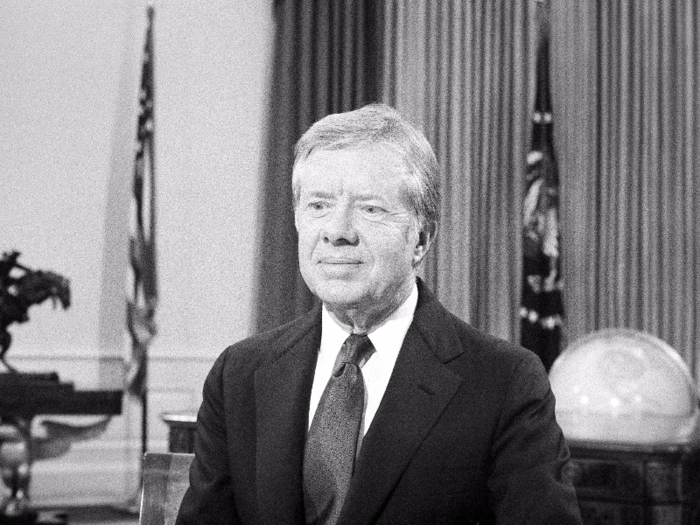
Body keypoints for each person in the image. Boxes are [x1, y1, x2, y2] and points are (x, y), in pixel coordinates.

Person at [175, 103, 582, 525]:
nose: (337, 231)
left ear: (421, 239)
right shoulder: (240, 375)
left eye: (370, 209)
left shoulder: (504, 384)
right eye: (318, 205)